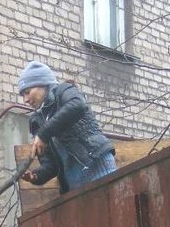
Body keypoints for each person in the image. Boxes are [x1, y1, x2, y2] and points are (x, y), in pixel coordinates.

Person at [18, 60, 117, 194]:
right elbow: (51, 166)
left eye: (27, 92)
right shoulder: (37, 121)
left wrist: (44, 134)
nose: (25, 99)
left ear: (43, 84)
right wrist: (36, 176)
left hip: (97, 168)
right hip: (74, 183)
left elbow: (77, 106)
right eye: (23, 95)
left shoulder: (63, 91)